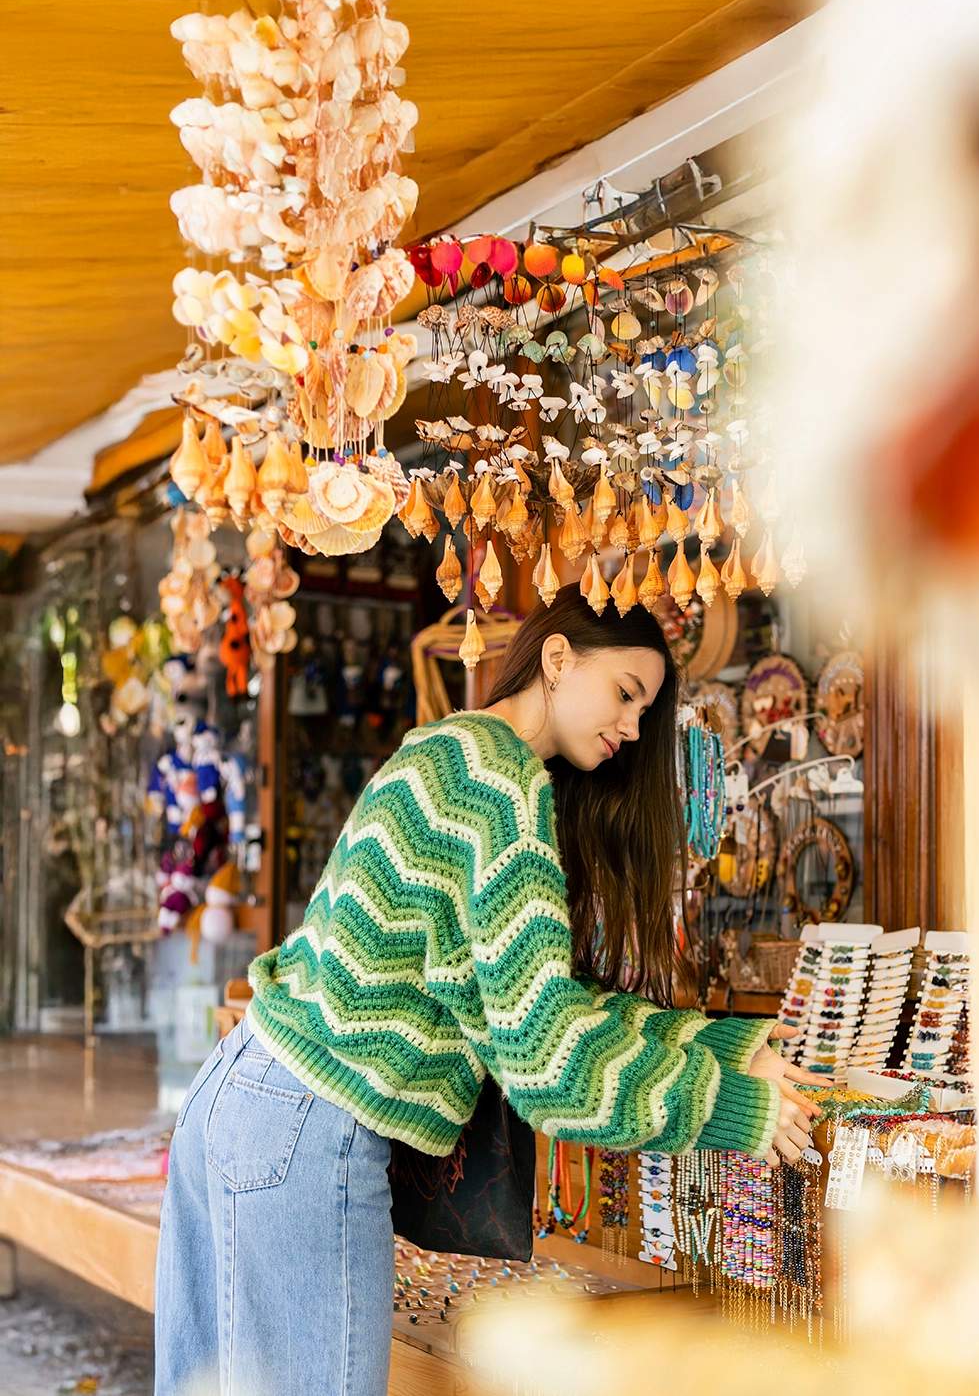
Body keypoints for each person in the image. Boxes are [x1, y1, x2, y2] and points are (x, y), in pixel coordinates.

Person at [156, 586, 820, 1396]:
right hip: (304, 1127)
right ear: (557, 657)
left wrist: (716, 1041)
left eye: (646, 710)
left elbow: (529, 1011)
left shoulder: (455, 751)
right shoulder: (501, 783)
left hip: (243, 1095)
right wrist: (735, 1109)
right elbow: (552, 1065)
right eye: (625, 694)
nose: (634, 728)